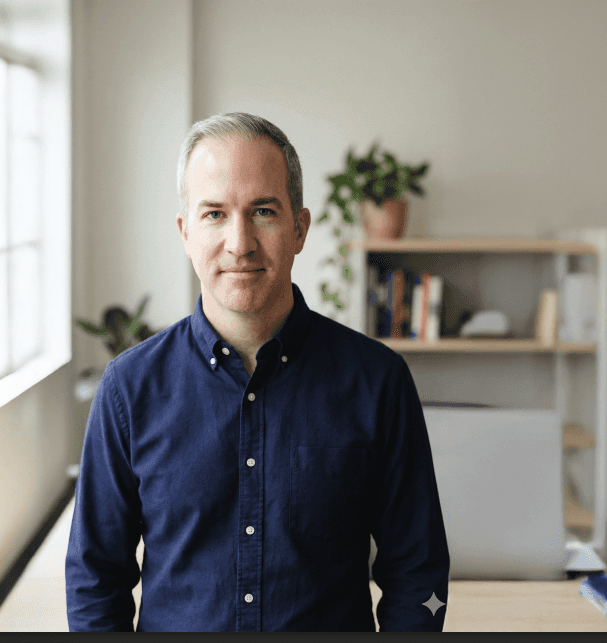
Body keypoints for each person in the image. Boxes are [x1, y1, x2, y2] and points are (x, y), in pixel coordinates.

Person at [66, 112, 449, 632]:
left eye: (263, 211)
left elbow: (417, 573)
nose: (240, 242)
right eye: (214, 214)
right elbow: (95, 580)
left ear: (299, 228)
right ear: (185, 232)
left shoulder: (378, 382)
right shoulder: (128, 390)